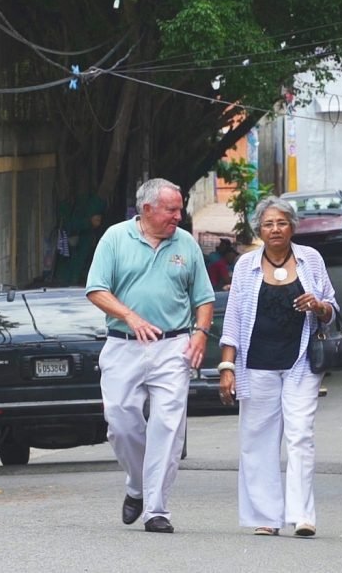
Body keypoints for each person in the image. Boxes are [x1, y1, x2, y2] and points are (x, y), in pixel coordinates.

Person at [85, 178, 215, 535]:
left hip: (174, 346)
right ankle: (137, 485)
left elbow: (203, 298)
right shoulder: (115, 238)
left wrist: (200, 335)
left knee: (168, 428)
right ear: (147, 210)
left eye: (180, 208)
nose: (179, 215)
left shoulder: (185, 244)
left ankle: (156, 509)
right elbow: (96, 289)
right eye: (172, 209)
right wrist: (129, 316)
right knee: (121, 422)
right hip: (124, 344)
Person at [218, 196, 339, 538]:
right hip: (255, 364)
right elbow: (233, 318)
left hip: (300, 361)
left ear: (292, 227)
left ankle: (303, 515)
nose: (275, 229)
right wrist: (227, 365)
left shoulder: (310, 260)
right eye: (269, 224)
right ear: (259, 229)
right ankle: (266, 516)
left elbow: (332, 307)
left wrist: (317, 306)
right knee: (258, 440)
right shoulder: (245, 265)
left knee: (300, 434)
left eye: (282, 222)